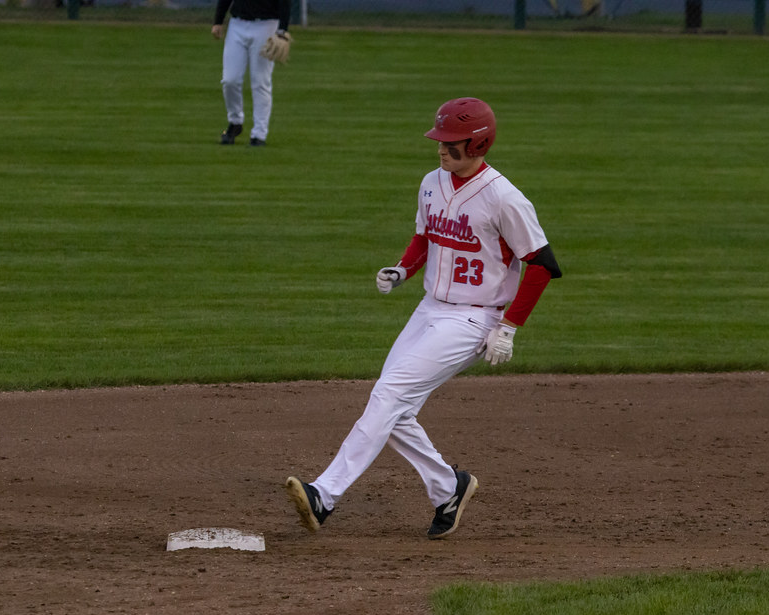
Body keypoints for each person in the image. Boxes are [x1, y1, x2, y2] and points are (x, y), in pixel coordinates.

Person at [286, 97, 562, 539]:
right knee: (393, 407)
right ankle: (448, 487)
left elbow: (543, 264)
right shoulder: (431, 183)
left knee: (389, 394)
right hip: (429, 309)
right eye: (440, 140)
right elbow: (424, 239)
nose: (440, 149)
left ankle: (325, 494)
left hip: (476, 319)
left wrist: (509, 327)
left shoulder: (504, 198)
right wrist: (402, 269)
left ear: (479, 143)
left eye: (451, 143)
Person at [211, 0, 290, 146]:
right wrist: (218, 21)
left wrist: (282, 30)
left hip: (266, 25)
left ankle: (259, 134)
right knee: (230, 80)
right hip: (237, 24)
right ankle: (235, 122)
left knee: (260, 81)